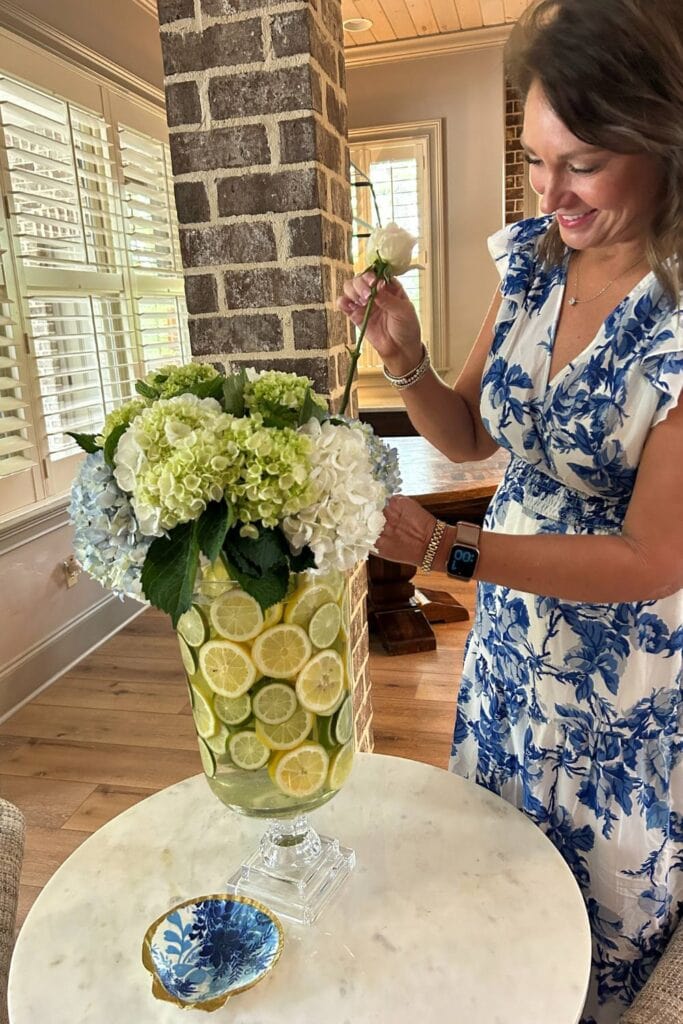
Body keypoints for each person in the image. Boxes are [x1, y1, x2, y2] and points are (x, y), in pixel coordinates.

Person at [338, 2, 683, 1021]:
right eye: (535, 160)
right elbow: (470, 434)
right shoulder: (532, 258)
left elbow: (650, 556)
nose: (548, 192)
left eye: (577, 163)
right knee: (493, 878)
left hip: (615, 680)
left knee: (596, 920)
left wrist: (449, 546)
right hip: (506, 645)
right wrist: (404, 356)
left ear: (660, 139)